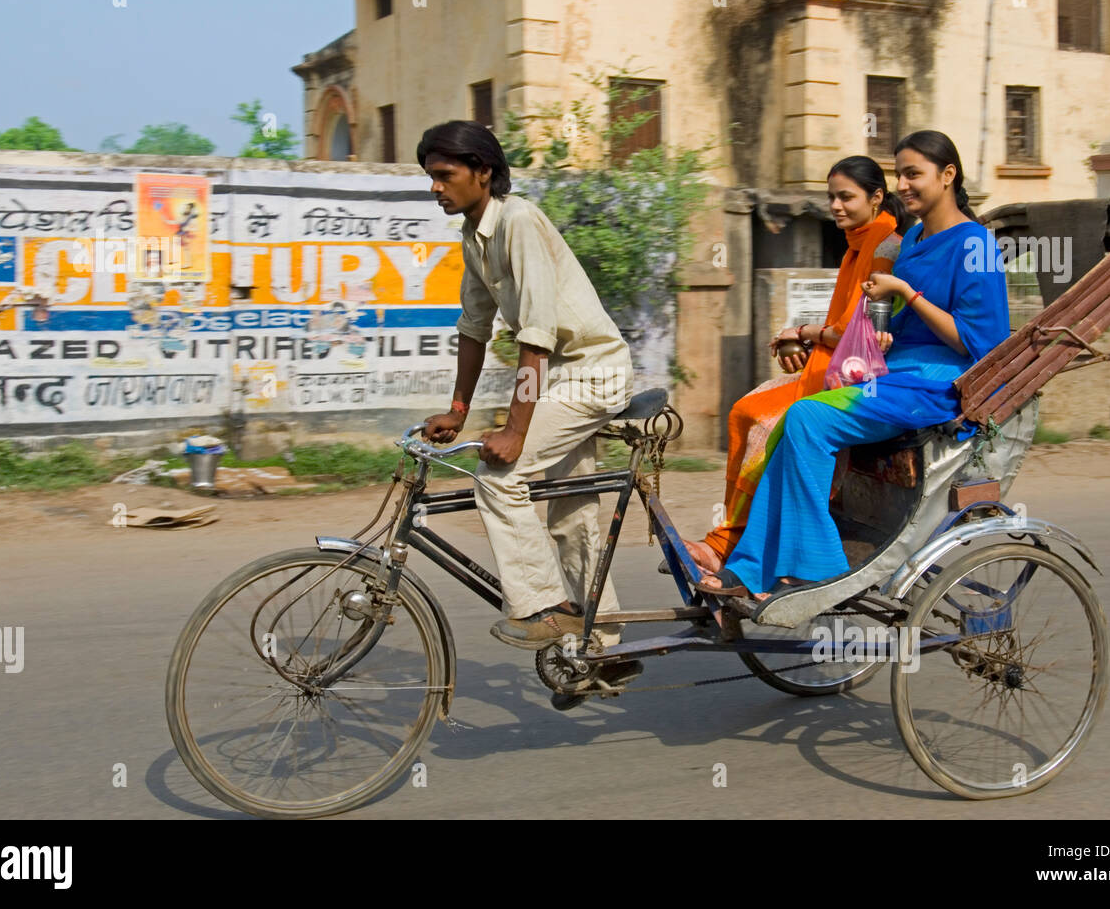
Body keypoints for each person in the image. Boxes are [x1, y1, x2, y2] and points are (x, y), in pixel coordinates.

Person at [699, 130, 1010, 598]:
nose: (904, 184)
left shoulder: (976, 246)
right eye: (900, 173)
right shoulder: (917, 241)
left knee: (807, 416)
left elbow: (979, 342)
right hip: (895, 376)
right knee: (788, 421)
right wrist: (885, 327)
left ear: (948, 176)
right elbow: (900, 323)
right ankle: (749, 566)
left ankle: (816, 566)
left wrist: (907, 294)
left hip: (938, 386)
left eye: (914, 174)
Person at [417, 121, 641, 678]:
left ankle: (549, 608)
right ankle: (600, 643)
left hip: (591, 375)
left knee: (499, 477)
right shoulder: (475, 234)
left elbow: (535, 336)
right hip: (560, 377)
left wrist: (515, 430)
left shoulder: (518, 221)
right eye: (430, 178)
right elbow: (474, 327)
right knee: (570, 510)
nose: (436, 188)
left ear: (483, 172)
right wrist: (459, 409)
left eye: (444, 176)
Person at [683, 156, 908, 573]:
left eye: (846, 197)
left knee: (765, 424)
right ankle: (728, 539)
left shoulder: (885, 249)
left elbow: (857, 335)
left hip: (857, 379)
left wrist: (803, 333)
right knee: (743, 410)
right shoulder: (856, 246)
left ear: (876, 198)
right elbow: (840, 329)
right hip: (829, 365)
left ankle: (732, 545)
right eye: (831, 198)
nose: (836, 206)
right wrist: (803, 337)